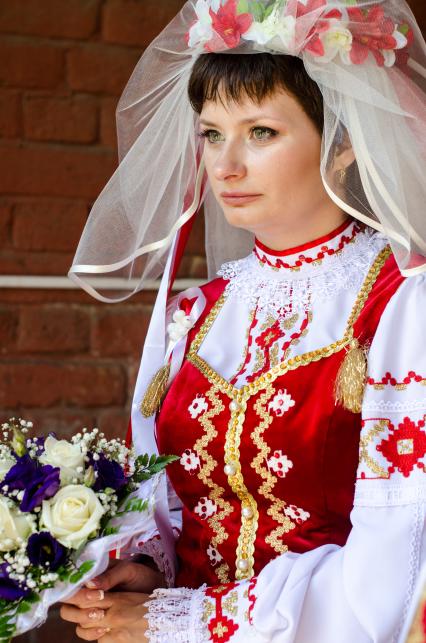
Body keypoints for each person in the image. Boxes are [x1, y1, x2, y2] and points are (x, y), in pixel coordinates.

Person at [62, 1, 426, 641]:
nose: (225, 164)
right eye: (211, 133)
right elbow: (171, 503)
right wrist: (148, 572)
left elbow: (399, 556)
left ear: (342, 144)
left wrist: (187, 620)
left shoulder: (402, 301)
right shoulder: (194, 314)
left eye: (261, 132)